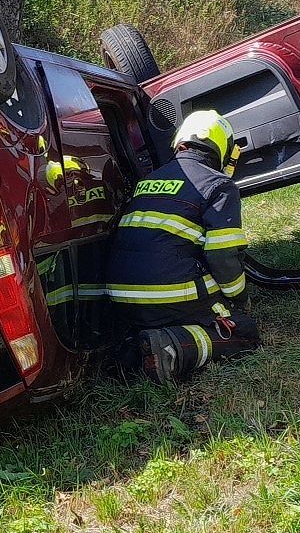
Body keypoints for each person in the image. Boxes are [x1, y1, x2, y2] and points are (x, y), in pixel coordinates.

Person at [106, 109, 262, 381]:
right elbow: (223, 255)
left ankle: (133, 352)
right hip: (170, 296)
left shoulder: (147, 181)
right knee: (245, 332)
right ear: (223, 150)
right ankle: (172, 347)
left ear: (179, 141)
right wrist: (238, 297)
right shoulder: (219, 185)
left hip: (120, 298)